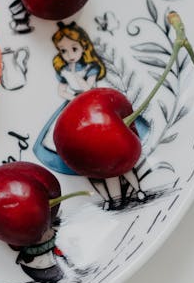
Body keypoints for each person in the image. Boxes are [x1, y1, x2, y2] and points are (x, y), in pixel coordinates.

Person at [33, 22, 147, 209]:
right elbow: (62, 90)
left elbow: (89, 88)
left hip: (92, 105)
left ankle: (136, 190)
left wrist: (79, 85)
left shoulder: (90, 68)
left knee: (116, 162)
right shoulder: (64, 70)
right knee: (99, 165)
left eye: (73, 48)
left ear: (84, 46)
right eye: (63, 51)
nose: (69, 55)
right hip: (76, 111)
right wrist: (72, 98)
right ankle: (111, 199)